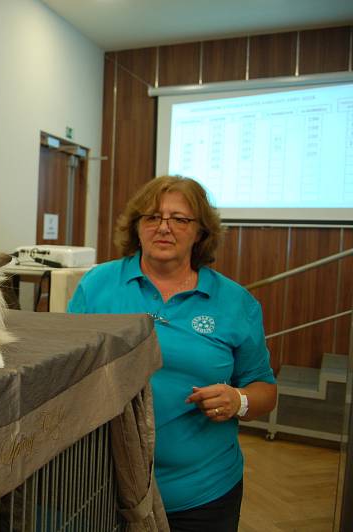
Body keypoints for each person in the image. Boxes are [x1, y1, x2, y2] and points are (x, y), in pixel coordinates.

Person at [68, 176, 276, 531]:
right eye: (152, 217)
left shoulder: (235, 302)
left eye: (180, 219)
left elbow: (264, 391)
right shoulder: (97, 285)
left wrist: (237, 400)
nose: (164, 227)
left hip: (202, 493)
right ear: (137, 227)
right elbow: (68, 370)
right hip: (103, 487)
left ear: (200, 232)